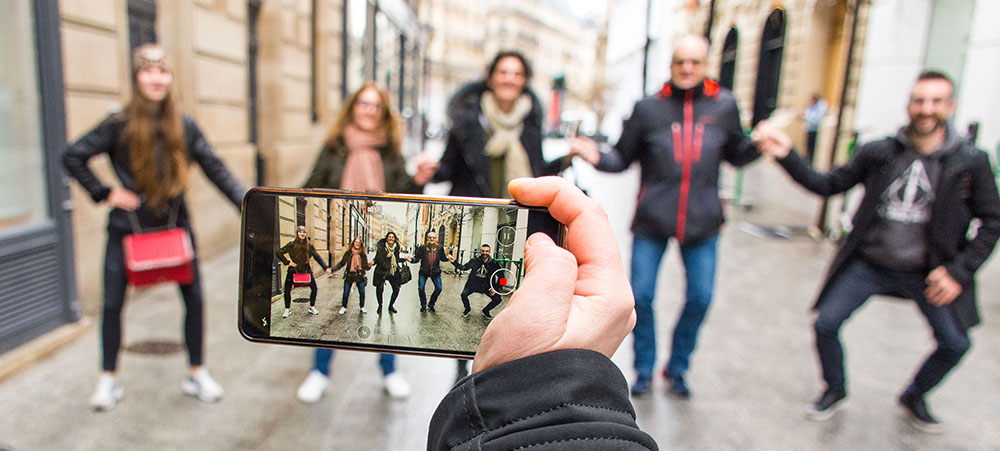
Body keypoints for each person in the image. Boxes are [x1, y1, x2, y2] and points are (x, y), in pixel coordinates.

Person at [754, 71, 1000, 432]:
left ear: (950, 107)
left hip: (928, 271)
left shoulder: (969, 162)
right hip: (871, 263)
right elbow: (829, 184)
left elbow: (993, 222)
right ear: (908, 105)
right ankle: (834, 389)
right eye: (919, 101)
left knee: (956, 343)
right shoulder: (881, 152)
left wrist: (958, 272)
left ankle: (915, 395)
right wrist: (786, 155)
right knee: (826, 323)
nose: (926, 109)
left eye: (935, 101)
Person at [570, 34, 761, 398]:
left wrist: (762, 146)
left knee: (700, 298)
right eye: (680, 62)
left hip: (703, 222)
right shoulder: (648, 108)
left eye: (695, 62)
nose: (687, 68)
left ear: (706, 66)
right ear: (671, 65)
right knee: (640, 297)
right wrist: (596, 157)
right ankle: (643, 369)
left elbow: (738, 154)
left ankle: (678, 368)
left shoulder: (724, 105)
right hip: (652, 220)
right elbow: (621, 158)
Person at [62, 44, 246, 411]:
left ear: (170, 78)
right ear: (137, 78)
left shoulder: (185, 125)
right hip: (127, 228)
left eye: (162, 71)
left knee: (194, 299)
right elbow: (72, 155)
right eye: (148, 71)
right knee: (113, 303)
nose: (156, 78)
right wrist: (106, 192)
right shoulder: (119, 124)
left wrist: (248, 204)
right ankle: (108, 380)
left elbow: (216, 168)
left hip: (175, 226)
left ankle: (197, 373)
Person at [428, 176, 657, 450]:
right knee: (464, 298)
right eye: (485, 249)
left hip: (486, 289)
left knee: (490, 306)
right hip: (472, 285)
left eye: (488, 249)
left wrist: (495, 291)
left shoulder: (494, 262)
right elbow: (466, 266)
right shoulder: (477, 258)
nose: (486, 251)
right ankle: (464, 318)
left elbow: (499, 279)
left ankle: (486, 318)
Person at [419, 50, 571, 380]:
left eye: (516, 74)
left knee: (509, 293)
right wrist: (430, 170)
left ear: (524, 82)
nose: (509, 79)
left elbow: (538, 171)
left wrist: (568, 159)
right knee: (474, 293)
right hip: (476, 213)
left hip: (517, 223)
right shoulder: (468, 121)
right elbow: (448, 167)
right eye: (503, 72)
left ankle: (500, 366)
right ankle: (463, 365)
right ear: (491, 77)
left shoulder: (530, 124)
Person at [296, 82, 419, 403]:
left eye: (376, 105)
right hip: (345, 237)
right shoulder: (335, 147)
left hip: (380, 244)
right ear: (353, 107)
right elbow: (310, 186)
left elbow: (406, 191)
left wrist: (419, 178)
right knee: (335, 307)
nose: (369, 110)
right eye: (364, 103)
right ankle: (319, 372)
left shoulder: (390, 152)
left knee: (382, 309)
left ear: (383, 113)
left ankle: (390, 371)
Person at [276, 225, 332, 317]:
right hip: (293, 270)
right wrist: (288, 262)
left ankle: (312, 307)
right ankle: (287, 309)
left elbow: (317, 257)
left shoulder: (309, 245)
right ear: (297, 233)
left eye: (304, 232)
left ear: (306, 234)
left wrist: (325, 267)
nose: (302, 234)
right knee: (287, 289)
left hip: (306, 269)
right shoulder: (292, 244)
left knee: (314, 288)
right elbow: (279, 252)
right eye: (300, 232)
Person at [405, 231, 454, 312]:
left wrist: (448, 259)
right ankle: (423, 306)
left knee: (439, 288)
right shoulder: (422, 247)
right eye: (430, 237)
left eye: (433, 237)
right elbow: (416, 258)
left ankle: (431, 304)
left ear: (436, 238)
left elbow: (442, 258)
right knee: (421, 288)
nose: (432, 239)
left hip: (435, 272)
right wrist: (411, 260)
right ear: (427, 238)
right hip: (424, 272)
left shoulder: (440, 247)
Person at [451, 244, 504, 318]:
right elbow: (463, 268)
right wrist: (454, 262)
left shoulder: (494, 263)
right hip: (473, 284)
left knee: (498, 299)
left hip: (487, 286)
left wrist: (496, 289)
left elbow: (502, 278)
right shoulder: (474, 261)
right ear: (480, 251)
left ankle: (486, 310)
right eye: (483, 251)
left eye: (486, 251)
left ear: (489, 252)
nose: (484, 253)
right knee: (463, 295)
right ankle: (467, 309)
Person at [331, 236, 370, 315]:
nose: (357, 244)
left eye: (359, 242)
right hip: (349, 275)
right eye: (356, 242)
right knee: (346, 292)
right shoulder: (348, 253)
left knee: (362, 292)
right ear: (353, 243)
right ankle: (344, 307)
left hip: (360, 275)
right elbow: (342, 263)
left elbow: (366, 266)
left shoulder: (363, 254)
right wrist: (332, 270)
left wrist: (369, 266)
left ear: (361, 244)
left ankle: (362, 306)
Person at [372, 231, 403, 314]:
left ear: (395, 239)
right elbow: (377, 258)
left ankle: (391, 305)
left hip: (392, 272)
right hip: (381, 271)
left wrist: (405, 259)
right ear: (386, 238)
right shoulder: (382, 247)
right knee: (379, 289)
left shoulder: (396, 248)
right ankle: (380, 305)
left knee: (396, 289)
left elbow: (397, 259)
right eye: (389, 237)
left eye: (393, 237)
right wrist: (372, 262)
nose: (391, 238)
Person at [803, 94, 828, 163]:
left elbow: (817, 118)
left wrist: (809, 120)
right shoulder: (811, 107)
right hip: (809, 128)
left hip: (815, 129)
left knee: (813, 146)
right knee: (808, 145)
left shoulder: (820, 106)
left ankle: (811, 159)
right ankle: (808, 158)